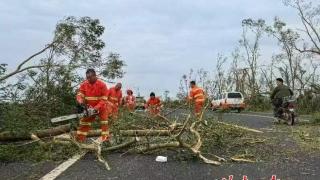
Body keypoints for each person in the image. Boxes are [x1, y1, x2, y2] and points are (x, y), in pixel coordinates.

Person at [76, 69, 109, 142]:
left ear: (95, 76)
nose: (88, 79)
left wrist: (96, 108)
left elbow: (104, 99)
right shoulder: (84, 84)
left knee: (104, 123)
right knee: (84, 122)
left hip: (101, 108)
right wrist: (80, 102)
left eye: (90, 77)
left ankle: (105, 140)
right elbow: (80, 94)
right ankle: (79, 140)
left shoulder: (102, 85)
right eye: (87, 77)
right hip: (89, 107)